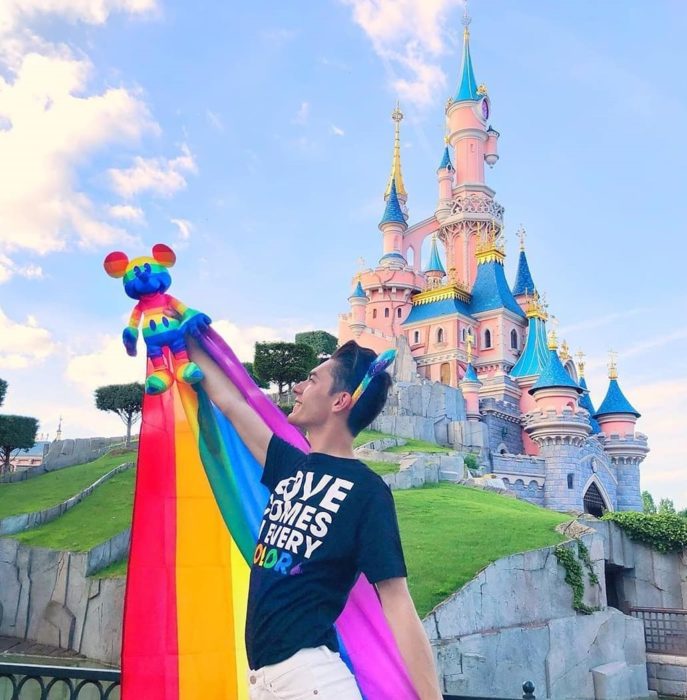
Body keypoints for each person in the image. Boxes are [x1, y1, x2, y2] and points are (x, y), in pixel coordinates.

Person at [189, 338, 443, 700]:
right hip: (263, 682)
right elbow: (231, 404)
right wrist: (174, 325)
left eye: (311, 380)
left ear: (340, 401)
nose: (297, 387)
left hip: (312, 682)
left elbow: (397, 601)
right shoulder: (288, 467)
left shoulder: (366, 492)